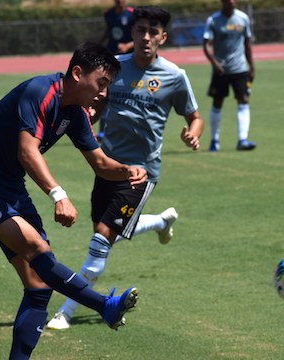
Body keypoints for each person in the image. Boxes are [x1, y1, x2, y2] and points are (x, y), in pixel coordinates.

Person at [0, 42, 148, 360]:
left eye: (107, 86)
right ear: (77, 73)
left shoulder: (75, 114)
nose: (103, 93)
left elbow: (101, 165)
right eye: (101, 82)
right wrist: (58, 195)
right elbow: (27, 151)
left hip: (13, 192)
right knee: (38, 251)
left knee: (39, 286)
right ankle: (105, 306)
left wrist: (130, 171)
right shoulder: (41, 90)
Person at [46, 5, 203, 330]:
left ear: (163, 37)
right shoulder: (116, 69)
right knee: (104, 234)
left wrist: (193, 133)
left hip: (141, 173)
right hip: (108, 167)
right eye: (140, 30)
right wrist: (91, 115)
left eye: (152, 32)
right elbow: (99, 102)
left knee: (102, 239)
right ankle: (160, 222)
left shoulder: (175, 76)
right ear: (132, 33)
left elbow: (194, 117)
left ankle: (67, 311)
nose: (146, 37)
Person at [203, 0, 256, 151]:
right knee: (217, 102)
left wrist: (251, 66)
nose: (231, 2)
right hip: (221, 70)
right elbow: (206, 44)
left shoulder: (243, 18)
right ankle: (214, 141)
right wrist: (214, 63)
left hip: (239, 68)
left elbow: (247, 44)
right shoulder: (213, 20)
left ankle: (242, 139)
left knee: (243, 100)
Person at [96, 0, 135, 141]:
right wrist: (98, 44)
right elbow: (109, 30)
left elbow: (138, 36)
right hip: (111, 57)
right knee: (106, 91)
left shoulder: (132, 14)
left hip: (128, 59)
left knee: (124, 92)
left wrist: (127, 45)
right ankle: (101, 131)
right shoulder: (108, 14)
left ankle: (127, 127)